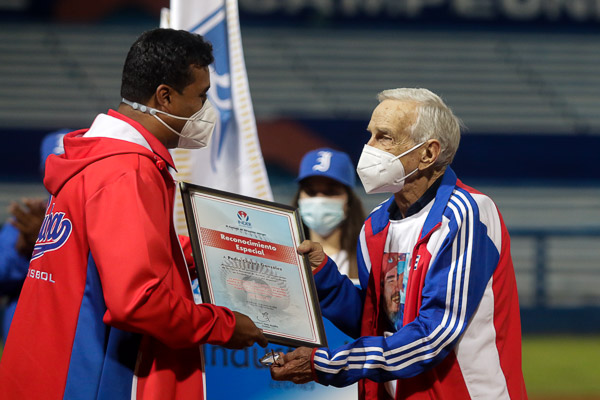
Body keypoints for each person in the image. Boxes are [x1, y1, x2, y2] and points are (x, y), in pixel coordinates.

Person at [0, 28, 267, 399]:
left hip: (49, 369)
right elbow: (137, 301)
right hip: (93, 379)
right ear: (166, 96)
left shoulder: (93, 159)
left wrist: (217, 250)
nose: (207, 111)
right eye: (202, 97)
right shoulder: (128, 171)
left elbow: (113, 256)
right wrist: (221, 326)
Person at [270, 88, 528, 399]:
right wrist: (322, 276)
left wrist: (330, 364)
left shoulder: (466, 214)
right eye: (370, 136)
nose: (369, 148)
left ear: (428, 153)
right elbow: (377, 320)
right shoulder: (375, 226)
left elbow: (433, 337)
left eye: (385, 137)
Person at [0, 130, 67, 343]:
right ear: (43, 171)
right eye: (56, 165)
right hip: (24, 338)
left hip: (72, 338)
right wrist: (25, 254)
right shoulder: (26, 220)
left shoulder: (99, 216)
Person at [292, 148, 365, 279]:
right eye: (311, 192)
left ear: (348, 201)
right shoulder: (286, 259)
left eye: (331, 192)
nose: (319, 200)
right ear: (299, 198)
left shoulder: (366, 259)